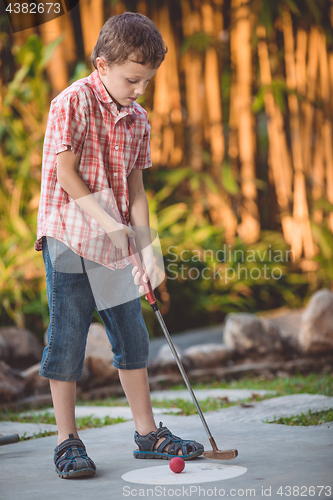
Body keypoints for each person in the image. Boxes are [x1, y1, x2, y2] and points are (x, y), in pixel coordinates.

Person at [35, 12, 204, 479]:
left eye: (147, 82)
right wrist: (109, 223)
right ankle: (67, 441)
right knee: (66, 339)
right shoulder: (72, 101)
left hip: (117, 245)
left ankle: (147, 433)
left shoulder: (137, 119)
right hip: (70, 237)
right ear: (101, 63)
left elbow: (137, 191)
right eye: (133, 79)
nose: (140, 90)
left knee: (132, 335)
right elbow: (66, 173)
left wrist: (151, 251)